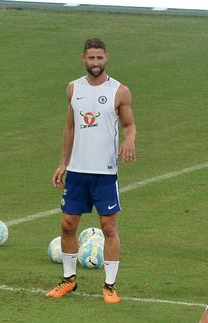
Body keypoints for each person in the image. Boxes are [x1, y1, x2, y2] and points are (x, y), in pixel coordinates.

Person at [47, 38, 136, 304]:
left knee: (109, 226)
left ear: (106, 58)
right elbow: (70, 127)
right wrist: (63, 163)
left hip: (105, 172)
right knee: (67, 224)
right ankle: (68, 280)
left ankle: (109, 285)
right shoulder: (73, 89)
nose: (95, 63)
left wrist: (129, 139)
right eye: (91, 58)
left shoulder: (119, 91)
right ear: (83, 58)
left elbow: (130, 124)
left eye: (99, 58)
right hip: (77, 170)